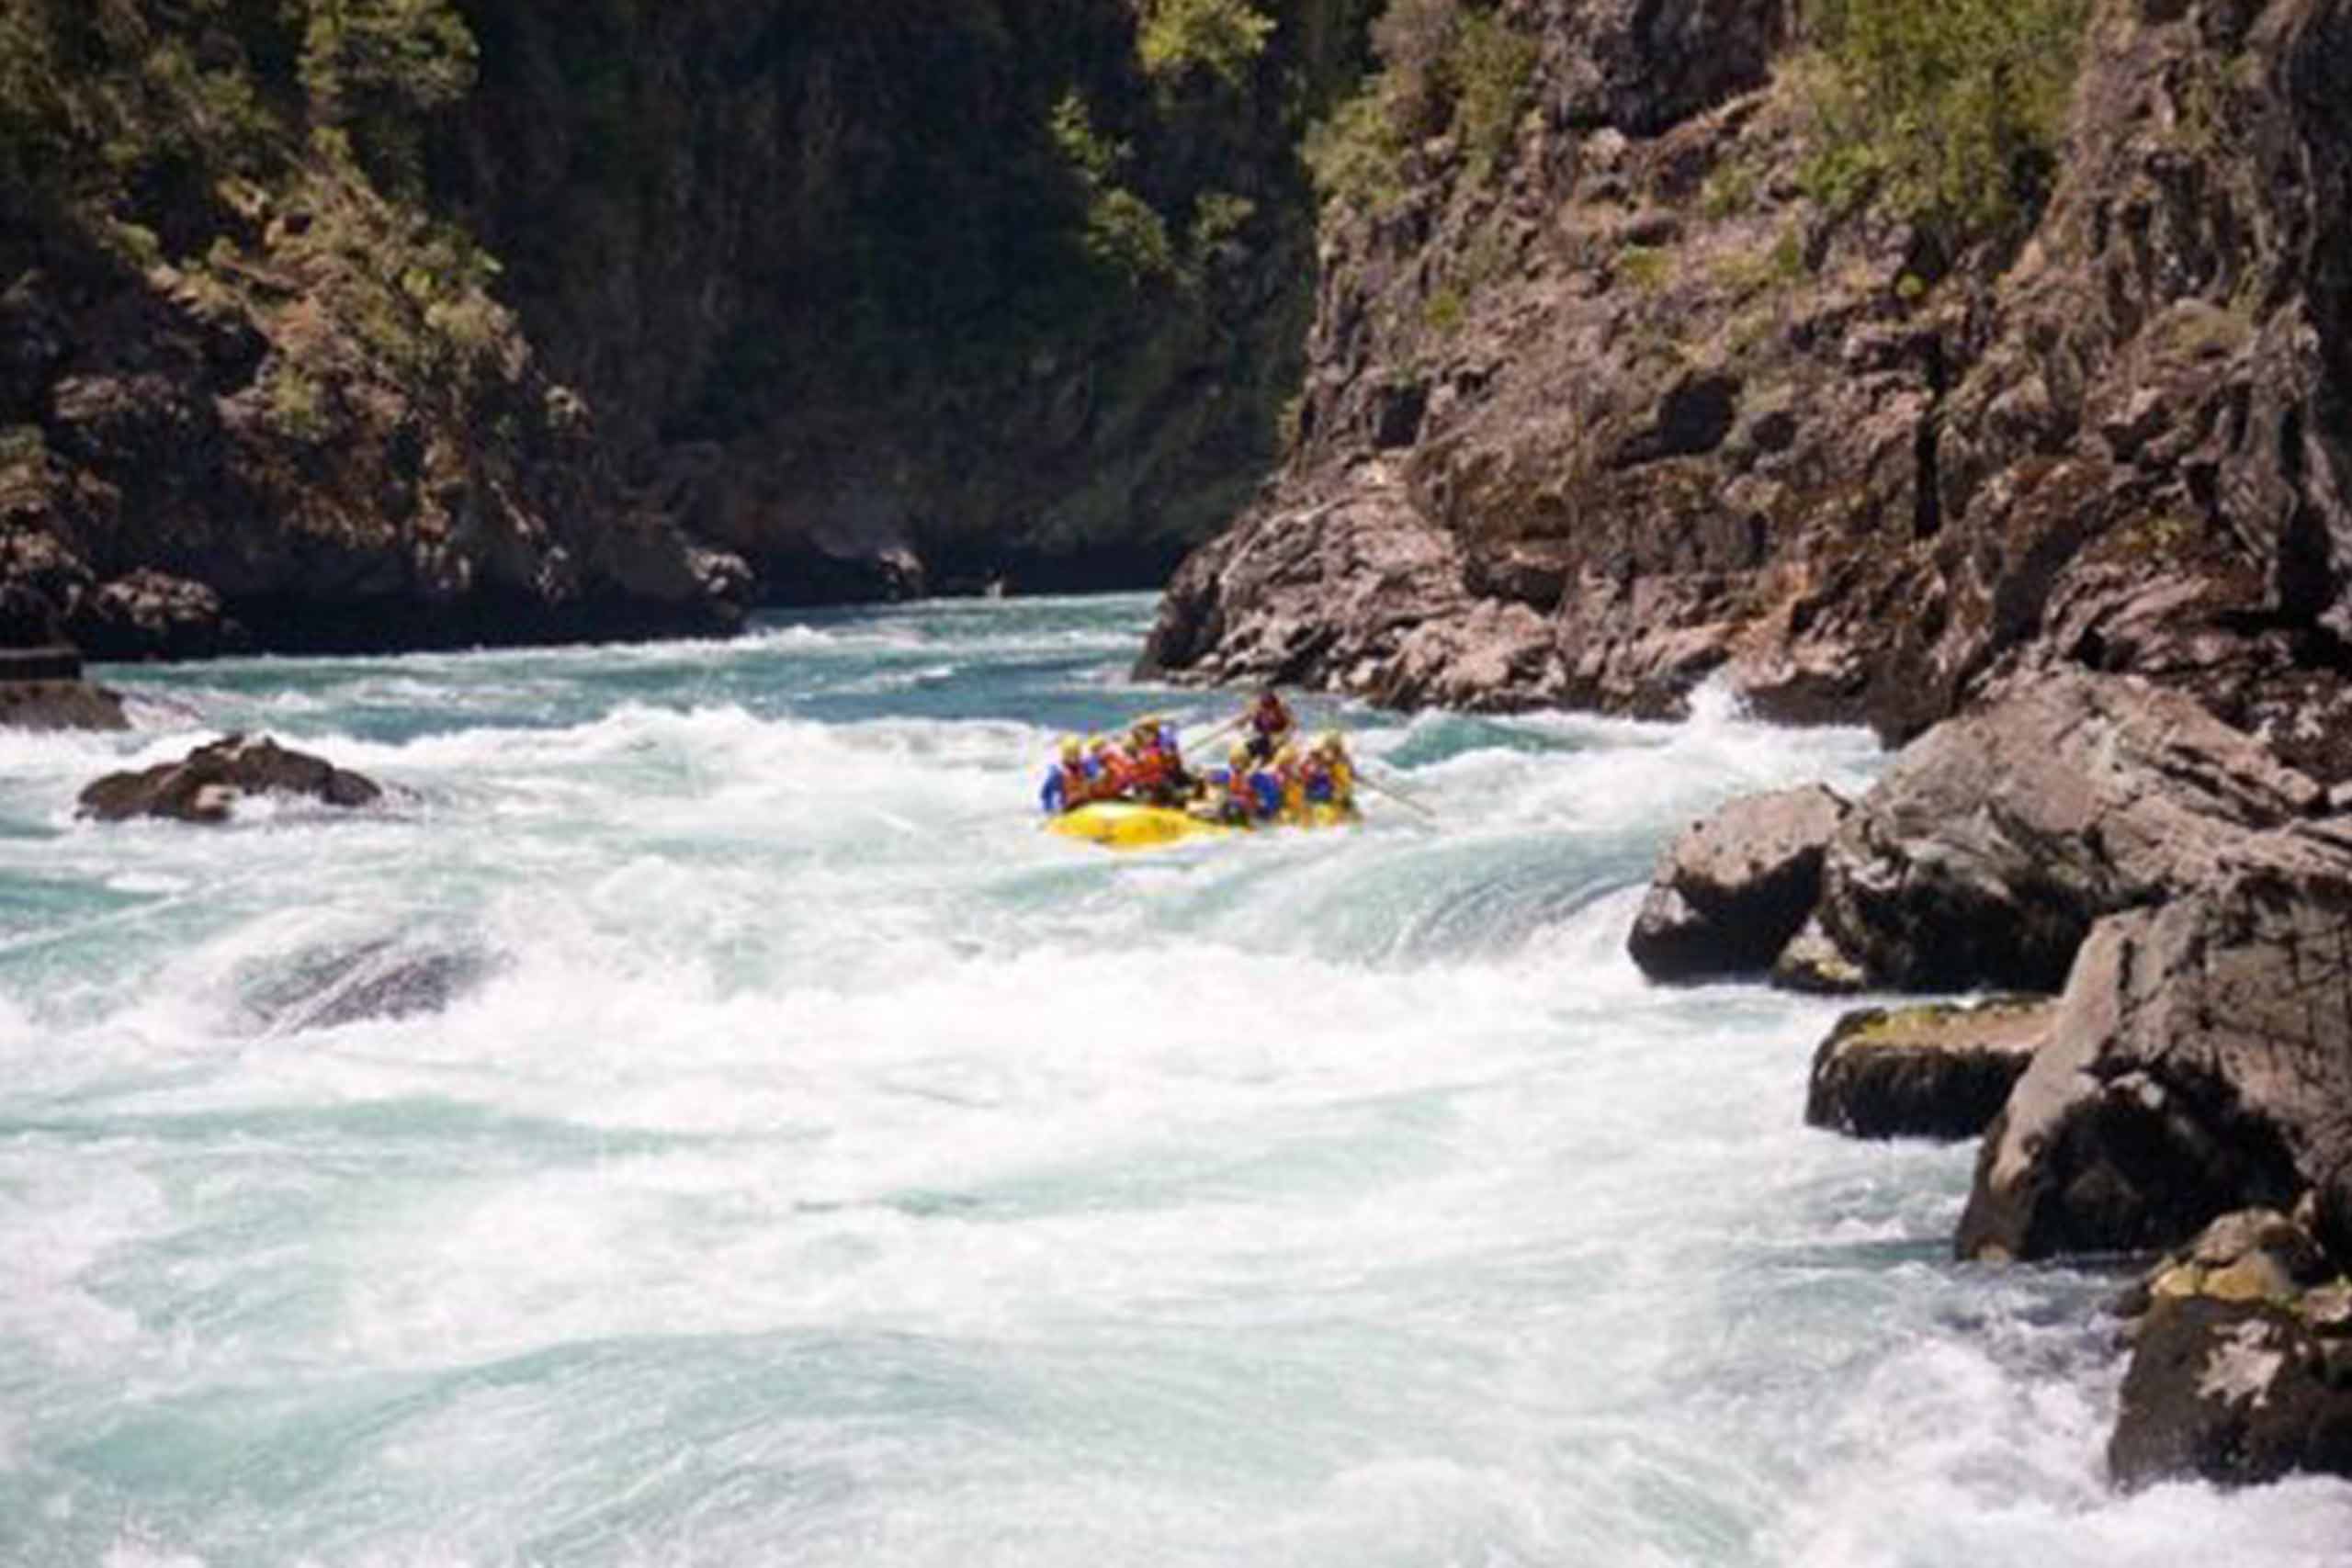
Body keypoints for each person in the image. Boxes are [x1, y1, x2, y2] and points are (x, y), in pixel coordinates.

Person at [1038, 735, 1092, 815]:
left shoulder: (1086, 767)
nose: (1074, 757)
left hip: (1086, 806)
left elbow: (1096, 779)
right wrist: (1050, 809)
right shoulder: (1058, 772)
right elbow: (1046, 793)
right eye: (1070, 754)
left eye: (1076, 753)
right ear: (1065, 754)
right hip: (1069, 809)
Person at [1241, 685, 1295, 764]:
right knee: (1256, 746)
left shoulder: (1283, 709)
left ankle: (1260, 764)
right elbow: (1241, 720)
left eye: (1270, 708)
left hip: (1280, 738)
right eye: (1265, 707)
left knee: (1267, 748)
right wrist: (1223, 731)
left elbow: (1293, 727)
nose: (1267, 711)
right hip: (1264, 739)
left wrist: (1282, 738)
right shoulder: (1257, 708)